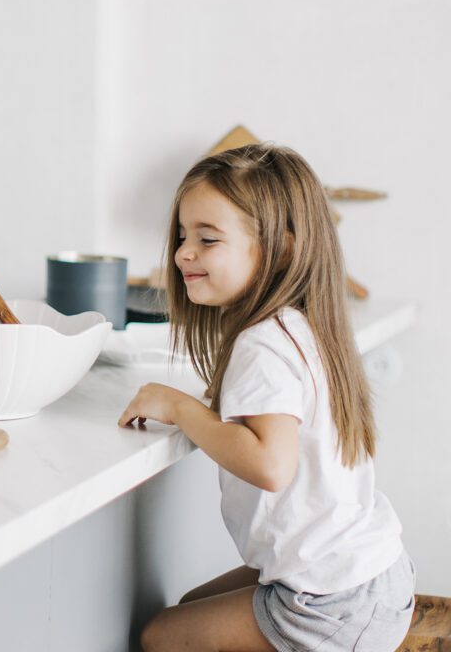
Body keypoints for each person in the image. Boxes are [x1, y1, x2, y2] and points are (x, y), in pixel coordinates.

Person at [118, 144, 414, 652]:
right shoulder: (300, 325)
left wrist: (179, 408)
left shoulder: (262, 342)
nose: (182, 253)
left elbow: (270, 464)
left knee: (161, 637)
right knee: (189, 606)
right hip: (369, 577)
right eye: (183, 236)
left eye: (207, 239)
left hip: (333, 603)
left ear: (280, 250)